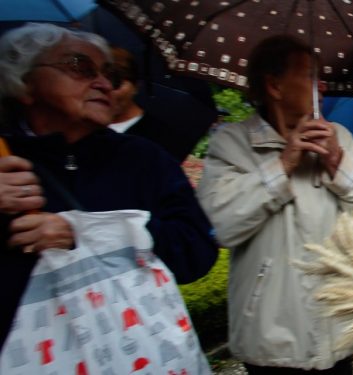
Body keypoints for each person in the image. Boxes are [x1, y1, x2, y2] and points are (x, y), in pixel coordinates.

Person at [0, 23, 218, 352]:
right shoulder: (6, 160)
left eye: (110, 75)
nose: (103, 84)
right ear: (24, 84)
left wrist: (91, 233)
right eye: (79, 67)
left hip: (133, 352)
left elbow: (195, 254)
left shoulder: (144, 159)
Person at [196, 35, 353, 374]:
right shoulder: (232, 143)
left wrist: (338, 165)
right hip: (271, 341)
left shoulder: (338, 136)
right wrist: (281, 166)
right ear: (274, 85)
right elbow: (222, 225)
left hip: (338, 327)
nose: (323, 85)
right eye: (310, 75)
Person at [108, 46, 214, 162]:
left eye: (116, 82)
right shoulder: (89, 129)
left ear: (136, 86)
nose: (107, 90)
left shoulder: (162, 140)